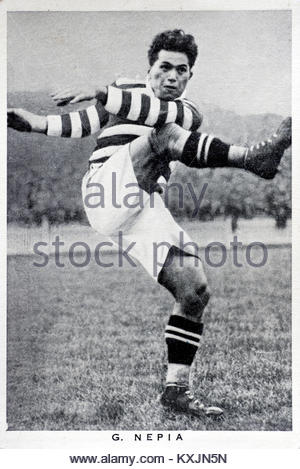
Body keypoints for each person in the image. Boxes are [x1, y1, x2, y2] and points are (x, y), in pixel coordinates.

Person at [7, 29, 291, 418]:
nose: (171, 77)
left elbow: (158, 115)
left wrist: (101, 90)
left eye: (182, 70)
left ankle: (176, 389)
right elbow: (86, 121)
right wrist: (36, 122)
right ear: (149, 69)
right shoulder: (125, 91)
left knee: (194, 289)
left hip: (140, 207)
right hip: (104, 190)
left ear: (190, 76)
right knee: (161, 137)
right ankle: (251, 158)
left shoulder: (187, 112)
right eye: (164, 68)